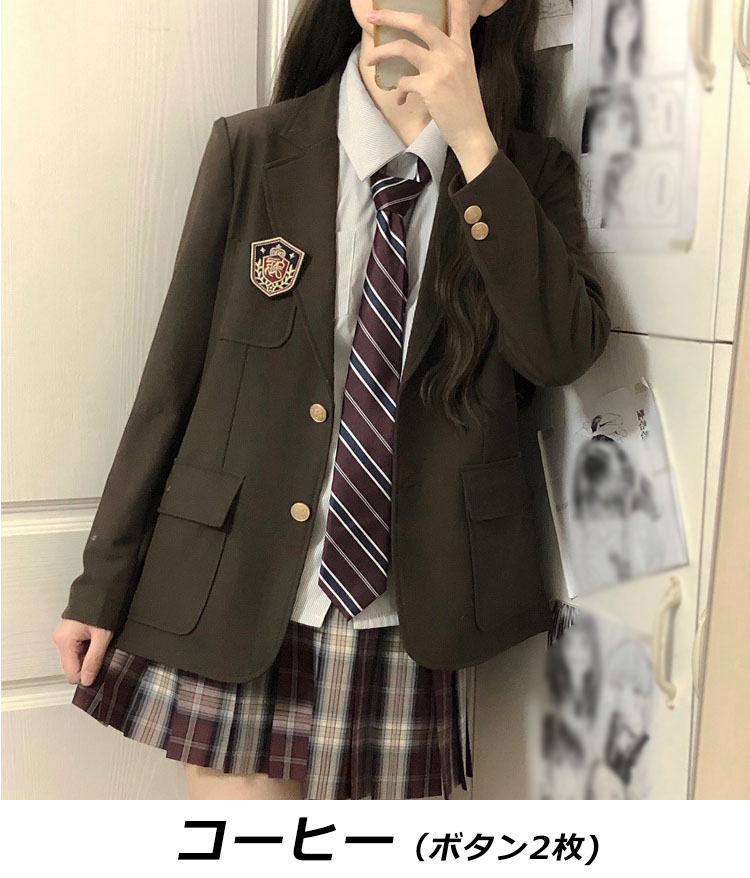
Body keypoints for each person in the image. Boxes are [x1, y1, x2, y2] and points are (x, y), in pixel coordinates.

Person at [53, 0, 611, 801]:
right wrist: (101, 584)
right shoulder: (253, 148)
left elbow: (560, 352)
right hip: (239, 583)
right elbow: (172, 381)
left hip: (414, 605)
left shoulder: (525, 173)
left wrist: (473, 142)